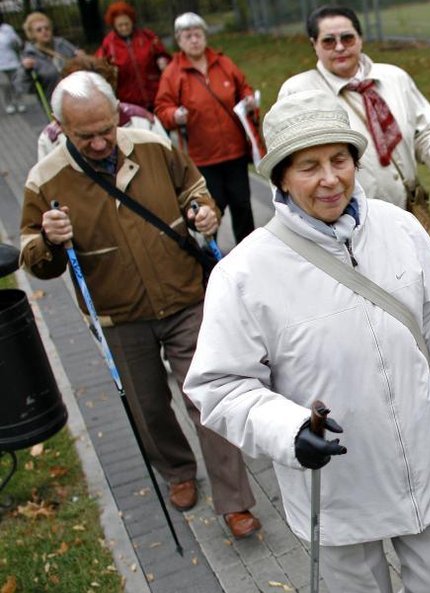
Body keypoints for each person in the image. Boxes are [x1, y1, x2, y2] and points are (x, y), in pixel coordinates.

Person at [184, 90, 430, 592]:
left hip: (425, 463)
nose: (330, 179)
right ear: (281, 176)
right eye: (309, 166)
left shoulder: (399, 226)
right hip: (335, 486)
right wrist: (288, 430)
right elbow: (220, 387)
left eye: (339, 160)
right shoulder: (243, 273)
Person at [19, 71, 262, 540]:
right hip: (117, 314)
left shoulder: (151, 145)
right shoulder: (44, 177)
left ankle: (235, 500)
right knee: (149, 407)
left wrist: (203, 211)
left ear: (117, 114)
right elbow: (36, 259)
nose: (99, 142)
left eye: (106, 129)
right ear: (59, 126)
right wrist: (48, 241)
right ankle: (178, 470)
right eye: (83, 135)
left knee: (208, 399)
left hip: (186, 297)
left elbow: (194, 188)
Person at [278, 6, 430, 221]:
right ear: (314, 45)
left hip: (409, 212)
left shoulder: (395, 78)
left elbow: (422, 134)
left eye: (347, 38)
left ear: (360, 38)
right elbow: (286, 164)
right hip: (349, 221)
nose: (339, 47)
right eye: (329, 41)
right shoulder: (299, 92)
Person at [155, 12, 257, 245]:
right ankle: (212, 255)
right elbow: (162, 107)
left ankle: (250, 251)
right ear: (179, 41)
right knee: (213, 208)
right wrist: (175, 116)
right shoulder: (173, 73)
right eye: (187, 35)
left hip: (235, 152)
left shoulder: (223, 63)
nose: (194, 40)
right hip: (202, 158)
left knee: (242, 205)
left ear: (205, 36)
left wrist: (249, 99)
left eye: (198, 34)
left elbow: (244, 88)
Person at [37, 55, 167, 160]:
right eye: (85, 135)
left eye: (106, 130)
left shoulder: (143, 122)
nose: (98, 145)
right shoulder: (52, 138)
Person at [96, 1, 170, 111]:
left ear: (132, 21)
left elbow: (164, 55)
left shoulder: (147, 36)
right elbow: (99, 68)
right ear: (114, 25)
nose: (124, 28)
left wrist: (163, 60)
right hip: (130, 103)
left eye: (127, 24)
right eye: (120, 25)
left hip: (156, 96)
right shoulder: (108, 44)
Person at [14, 12, 81, 102]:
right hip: (55, 102)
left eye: (47, 28)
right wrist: (26, 71)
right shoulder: (30, 55)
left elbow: (80, 64)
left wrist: (81, 57)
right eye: (39, 30)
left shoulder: (62, 44)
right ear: (32, 34)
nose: (44, 31)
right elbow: (21, 87)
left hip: (78, 95)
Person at [0, 12, 26, 114]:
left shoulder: (7, 29)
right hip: (0, 66)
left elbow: (18, 43)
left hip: (12, 62)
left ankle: (19, 102)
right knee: (5, 85)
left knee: (16, 83)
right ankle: (9, 104)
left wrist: (15, 41)